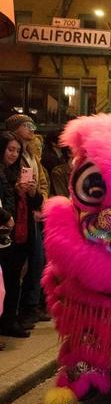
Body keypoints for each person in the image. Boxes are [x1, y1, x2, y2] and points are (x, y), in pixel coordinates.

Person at [5, 116, 50, 328]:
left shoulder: (31, 156)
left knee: (34, 262)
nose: (33, 129)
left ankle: (24, 310)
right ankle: (17, 314)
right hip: (15, 219)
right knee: (16, 270)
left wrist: (39, 201)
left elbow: (40, 186)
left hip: (28, 215)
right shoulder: (16, 160)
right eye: (27, 125)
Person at [0, 132, 42, 338]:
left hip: (20, 233)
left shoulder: (19, 171)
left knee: (14, 279)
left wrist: (32, 192)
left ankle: (10, 321)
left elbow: (37, 203)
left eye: (17, 150)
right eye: (10, 149)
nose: (14, 154)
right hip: (5, 234)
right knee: (4, 282)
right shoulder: (3, 174)